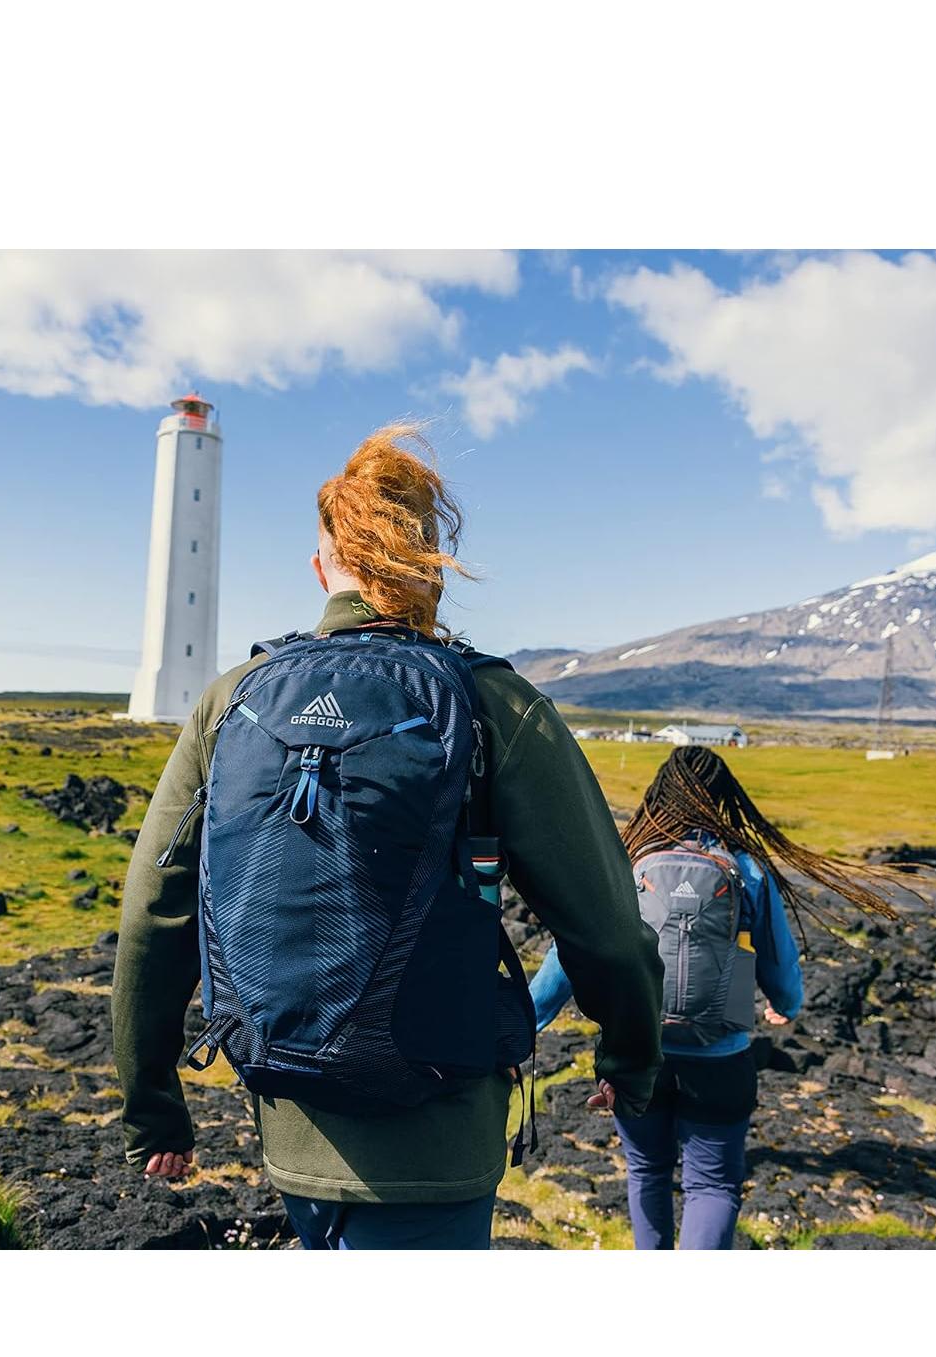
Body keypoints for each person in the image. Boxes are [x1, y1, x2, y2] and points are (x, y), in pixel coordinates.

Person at [111, 423, 664, 1250]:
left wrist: (153, 1102)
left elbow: (152, 916)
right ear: (429, 569)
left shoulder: (234, 699)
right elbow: (609, 926)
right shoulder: (494, 704)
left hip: (289, 1124)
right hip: (438, 1135)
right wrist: (632, 1060)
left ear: (322, 568)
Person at [530, 744, 900, 1250]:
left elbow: (569, 951)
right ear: (722, 800)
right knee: (712, 1185)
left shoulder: (627, 862)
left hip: (639, 1050)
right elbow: (779, 961)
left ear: (658, 797)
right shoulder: (745, 870)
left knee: (646, 1171)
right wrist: (785, 1006)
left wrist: (528, 1021)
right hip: (721, 1056)